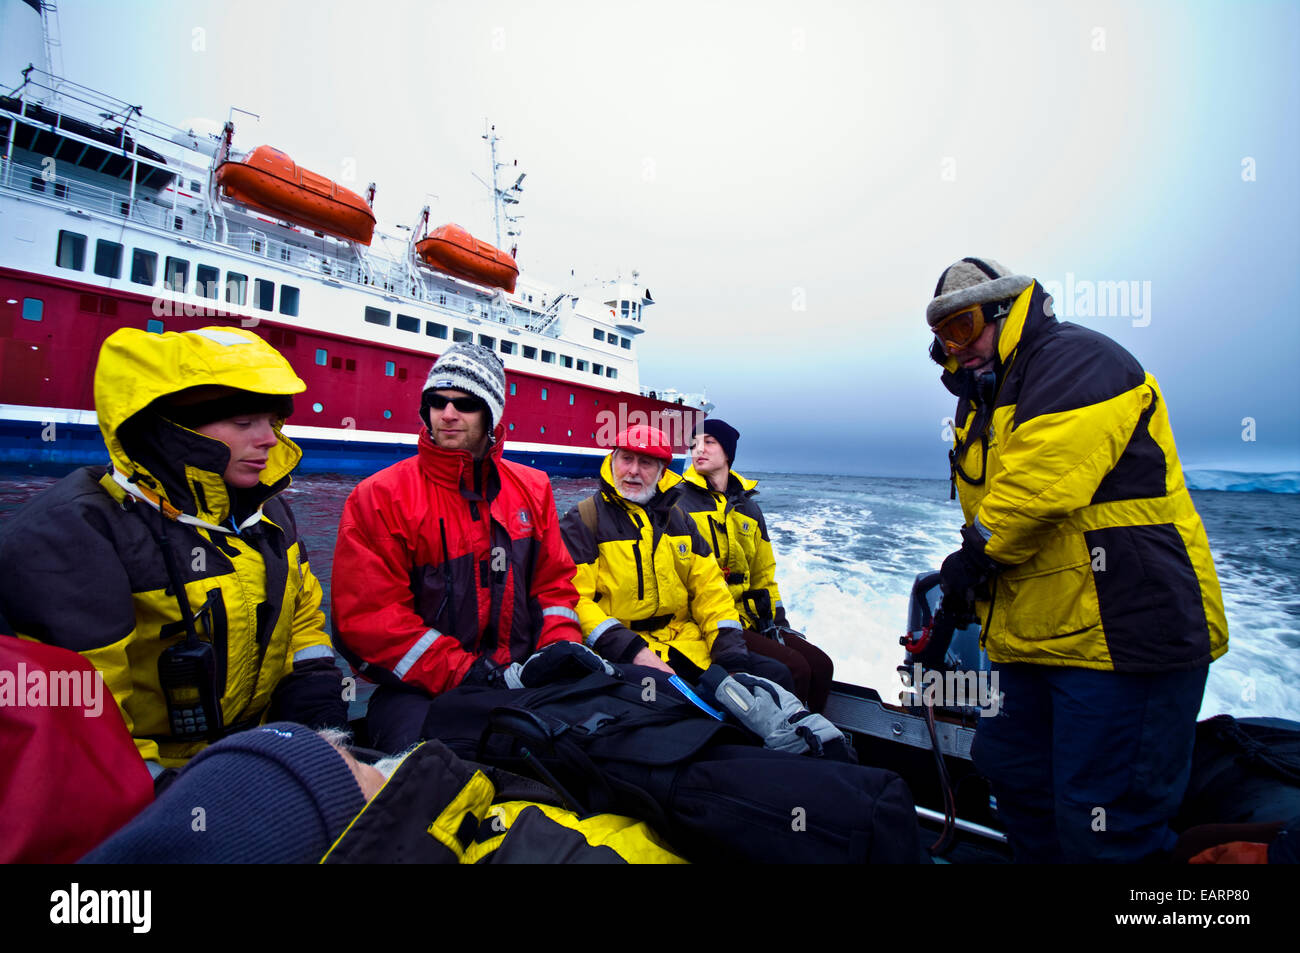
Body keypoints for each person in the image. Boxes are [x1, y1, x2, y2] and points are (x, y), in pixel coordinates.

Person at [925, 256, 1229, 862]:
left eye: (962, 329)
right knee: (1016, 785)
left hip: (1123, 637)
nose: (956, 353)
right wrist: (969, 581)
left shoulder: (1076, 361)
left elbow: (1036, 489)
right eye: (941, 343)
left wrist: (971, 560)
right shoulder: (979, 403)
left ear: (1006, 312)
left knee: (1107, 829)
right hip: (1033, 639)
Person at [0, 326, 348, 780]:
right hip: (142, 783)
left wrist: (315, 689)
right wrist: (164, 793)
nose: (269, 439)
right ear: (174, 432)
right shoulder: (75, 533)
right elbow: (83, 712)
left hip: (257, 755)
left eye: (272, 421)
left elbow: (302, 615)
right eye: (244, 423)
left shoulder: (268, 512)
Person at [330, 342, 588, 746]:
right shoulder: (378, 497)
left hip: (523, 678)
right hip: (417, 691)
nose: (447, 414)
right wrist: (472, 675)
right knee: (430, 772)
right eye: (437, 402)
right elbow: (371, 623)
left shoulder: (533, 488)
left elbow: (554, 588)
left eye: (465, 404)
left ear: (491, 416)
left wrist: (559, 649)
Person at [559, 423, 795, 690]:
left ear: (661, 473)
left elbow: (711, 590)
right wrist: (632, 650)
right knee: (695, 712)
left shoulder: (679, 521)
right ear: (612, 461)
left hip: (685, 641)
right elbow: (574, 597)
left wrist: (731, 659)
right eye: (626, 459)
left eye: (646, 463)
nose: (633, 471)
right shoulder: (585, 520)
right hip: (622, 652)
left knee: (775, 677)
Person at [674, 418, 835, 711]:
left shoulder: (749, 508)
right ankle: (783, 741)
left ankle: (816, 734)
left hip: (752, 617)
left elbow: (763, 573)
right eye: (694, 444)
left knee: (822, 665)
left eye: (709, 442)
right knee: (794, 668)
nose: (699, 449)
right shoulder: (677, 502)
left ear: (728, 453)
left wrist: (778, 621)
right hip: (707, 619)